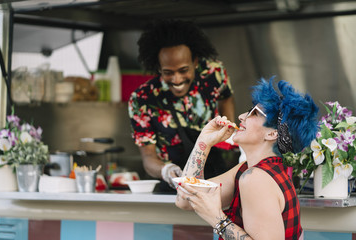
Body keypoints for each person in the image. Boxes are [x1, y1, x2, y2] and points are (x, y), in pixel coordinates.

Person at [175, 78, 319, 239]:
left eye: (254, 113)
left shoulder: (256, 179)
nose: (242, 116)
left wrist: (216, 218)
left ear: (272, 133)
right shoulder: (251, 169)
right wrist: (204, 142)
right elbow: (185, 199)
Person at [128, 19, 235, 191]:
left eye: (183, 70)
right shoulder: (142, 99)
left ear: (195, 62)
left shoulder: (213, 74)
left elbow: (226, 97)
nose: (177, 80)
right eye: (168, 72)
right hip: (173, 185)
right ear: (158, 67)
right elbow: (148, 158)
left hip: (215, 175)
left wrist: (228, 131)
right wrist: (166, 170)